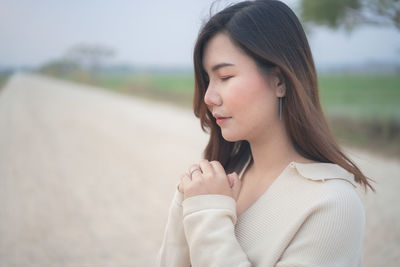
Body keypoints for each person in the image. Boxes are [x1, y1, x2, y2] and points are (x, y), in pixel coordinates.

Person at [156, 0, 375, 266]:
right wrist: (190, 202)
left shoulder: (332, 205)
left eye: (224, 77)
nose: (208, 97)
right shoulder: (219, 180)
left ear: (279, 81)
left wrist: (207, 215)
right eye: (207, 80)